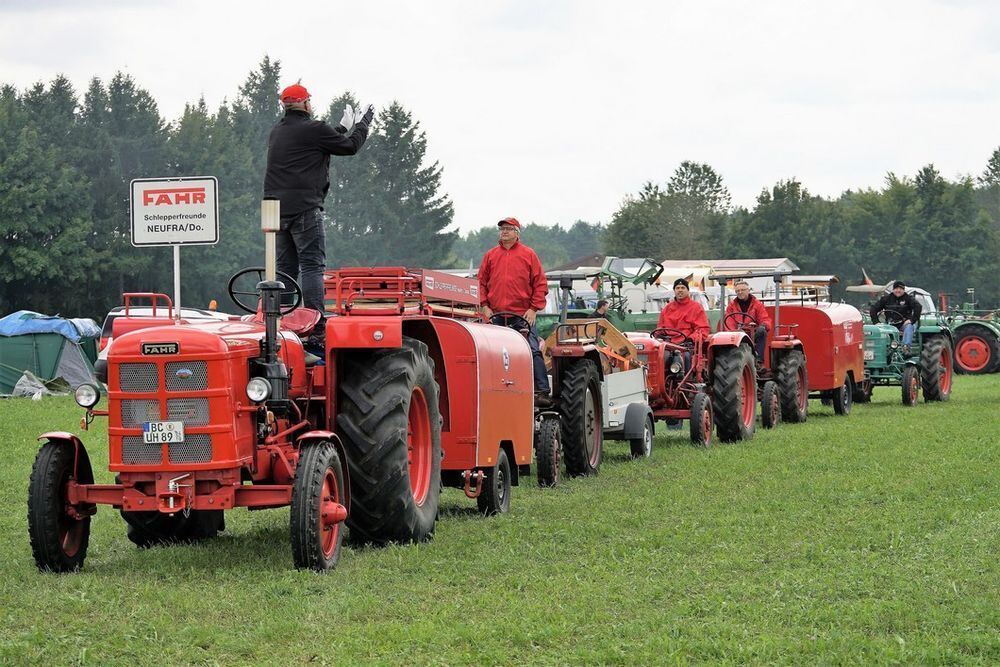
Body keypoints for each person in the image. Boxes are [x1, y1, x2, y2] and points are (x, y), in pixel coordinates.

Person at [263, 82, 374, 350]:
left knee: (285, 269)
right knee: (312, 266)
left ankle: (282, 322)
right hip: (304, 207)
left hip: (276, 210)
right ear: (304, 104)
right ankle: (316, 326)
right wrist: (362, 125)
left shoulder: (278, 132)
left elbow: (319, 141)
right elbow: (348, 147)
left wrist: (341, 128)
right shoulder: (314, 129)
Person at [478, 217, 551, 403]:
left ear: (517, 233)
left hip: (522, 315)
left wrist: (533, 309)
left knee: (532, 350)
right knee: (491, 355)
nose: (504, 231)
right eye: (502, 228)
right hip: (495, 316)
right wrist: (484, 305)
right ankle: (491, 391)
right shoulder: (490, 255)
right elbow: (480, 283)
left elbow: (540, 283)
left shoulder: (529, 255)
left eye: (509, 228)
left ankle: (542, 390)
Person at [723, 280, 772, 364]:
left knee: (762, 332)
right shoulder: (731, 306)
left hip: (753, 333)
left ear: (748, 290)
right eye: (737, 291)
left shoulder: (757, 304)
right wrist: (734, 331)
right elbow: (729, 320)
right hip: (738, 333)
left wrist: (763, 325)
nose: (740, 292)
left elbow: (764, 318)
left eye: (742, 290)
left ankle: (759, 361)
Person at [870, 280, 922, 352]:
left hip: (904, 324)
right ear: (893, 289)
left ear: (903, 290)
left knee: (910, 326)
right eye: (896, 289)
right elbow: (873, 309)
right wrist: (876, 322)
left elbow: (918, 307)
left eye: (900, 289)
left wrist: (911, 320)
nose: (898, 290)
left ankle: (905, 347)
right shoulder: (886, 299)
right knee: (878, 330)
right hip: (890, 325)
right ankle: (878, 351)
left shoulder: (908, 298)